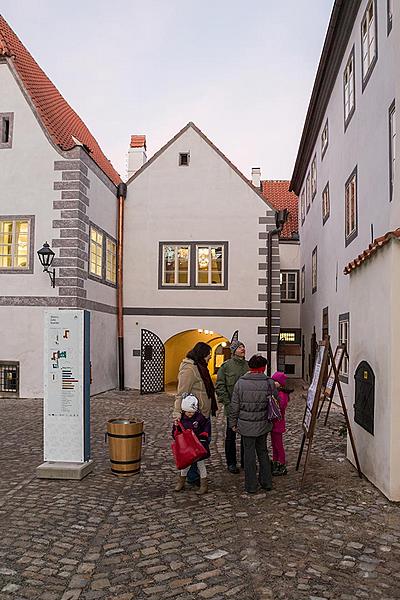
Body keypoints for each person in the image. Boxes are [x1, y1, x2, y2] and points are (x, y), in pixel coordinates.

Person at [229, 354, 276, 494]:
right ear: (264, 368)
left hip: (246, 424)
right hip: (263, 423)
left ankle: (251, 485)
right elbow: (275, 402)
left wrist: (233, 422)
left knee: (248, 454)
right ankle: (266, 482)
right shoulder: (269, 383)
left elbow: (234, 406)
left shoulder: (240, 383)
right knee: (262, 451)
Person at [173, 342, 217, 485]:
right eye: (208, 354)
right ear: (201, 354)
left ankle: (194, 473)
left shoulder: (200, 367)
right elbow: (181, 393)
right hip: (193, 414)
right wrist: (177, 413)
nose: (210, 357)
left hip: (203, 413)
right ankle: (192, 477)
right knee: (192, 445)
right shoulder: (189, 369)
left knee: (202, 443)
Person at [215, 340, 248, 474]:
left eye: (243, 346)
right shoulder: (226, 366)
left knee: (246, 435)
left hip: (246, 407)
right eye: (240, 347)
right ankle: (231, 463)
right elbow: (220, 385)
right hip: (231, 407)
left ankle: (246, 461)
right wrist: (227, 403)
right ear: (234, 350)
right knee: (231, 436)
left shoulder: (248, 366)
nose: (242, 349)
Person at [172, 394, 211, 495]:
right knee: (185, 466)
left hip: (198, 445)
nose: (190, 414)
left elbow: (206, 426)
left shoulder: (199, 418)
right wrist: (176, 428)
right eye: (188, 412)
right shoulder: (181, 420)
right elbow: (175, 434)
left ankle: (204, 485)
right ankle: (181, 482)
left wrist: (204, 436)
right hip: (187, 447)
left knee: (201, 465)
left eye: (192, 412)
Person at [271, 371, 290, 476]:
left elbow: (281, 407)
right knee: (274, 445)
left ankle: (282, 463)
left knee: (278, 445)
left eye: (275, 381)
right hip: (273, 423)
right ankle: (275, 461)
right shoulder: (276, 392)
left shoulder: (282, 394)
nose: (273, 382)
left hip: (278, 423)